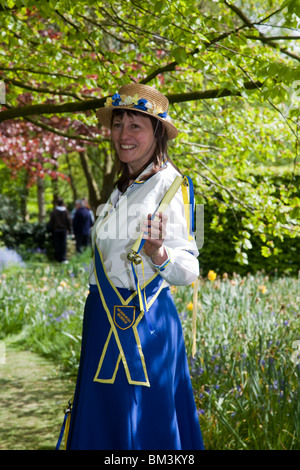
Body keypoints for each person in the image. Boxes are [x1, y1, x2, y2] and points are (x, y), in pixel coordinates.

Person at [64, 83, 204, 450]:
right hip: (101, 318)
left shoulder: (177, 187)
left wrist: (159, 254)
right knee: (104, 424)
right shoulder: (118, 190)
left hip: (145, 327)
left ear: (157, 132)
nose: (123, 135)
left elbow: (190, 270)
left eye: (135, 126)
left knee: (146, 431)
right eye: (117, 124)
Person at [48, 197, 71, 263]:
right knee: (63, 244)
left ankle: (58, 258)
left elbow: (51, 222)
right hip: (63, 230)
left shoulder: (54, 212)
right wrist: (69, 229)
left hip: (56, 230)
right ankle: (63, 257)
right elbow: (69, 221)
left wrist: (52, 228)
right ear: (62, 203)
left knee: (57, 244)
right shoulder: (66, 212)